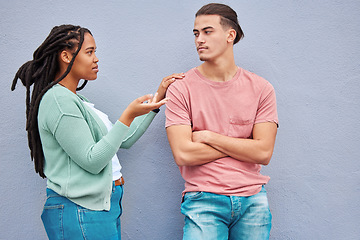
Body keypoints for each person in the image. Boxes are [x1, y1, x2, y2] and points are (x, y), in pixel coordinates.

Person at [11, 24, 184, 239]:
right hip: (81, 209)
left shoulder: (77, 101)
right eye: (89, 52)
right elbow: (92, 160)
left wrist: (157, 98)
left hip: (99, 207)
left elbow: (124, 140)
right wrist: (127, 115)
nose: (96, 59)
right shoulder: (59, 101)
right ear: (66, 56)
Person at [165, 3, 278, 240]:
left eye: (207, 31)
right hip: (203, 199)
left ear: (230, 35)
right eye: (196, 33)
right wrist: (244, 145)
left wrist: (209, 137)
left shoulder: (261, 88)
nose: (199, 40)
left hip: (253, 201)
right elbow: (184, 154)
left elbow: (264, 153)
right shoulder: (180, 88)